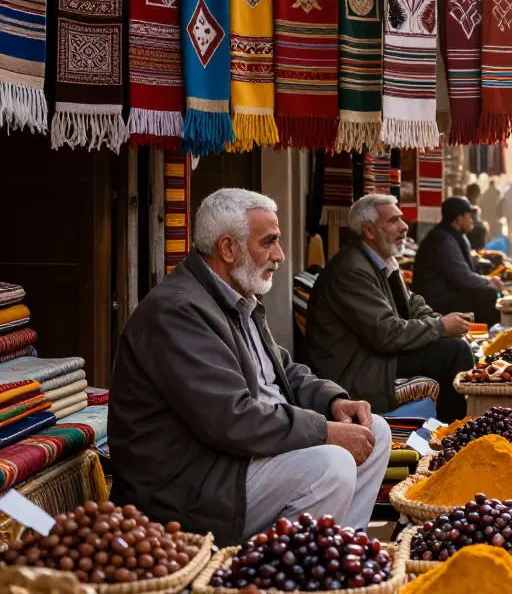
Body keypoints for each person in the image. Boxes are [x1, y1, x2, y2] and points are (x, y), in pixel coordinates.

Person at [109, 188, 391, 545]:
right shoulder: (178, 311)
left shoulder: (235, 296)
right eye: (269, 242)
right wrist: (323, 431)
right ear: (228, 249)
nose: (280, 255)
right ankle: (282, 571)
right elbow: (231, 417)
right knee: (330, 467)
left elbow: (279, 371)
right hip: (189, 488)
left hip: (235, 459)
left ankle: (338, 555)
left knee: (374, 431)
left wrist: (332, 401)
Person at [307, 194, 475, 422]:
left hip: (375, 357)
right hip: (357, 370)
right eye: (393, 221)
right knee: (454, 352)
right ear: (369, 231)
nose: (404, 227)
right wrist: (440, 326)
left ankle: (452, 427)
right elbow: (387, 334)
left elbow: (413, 304)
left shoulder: (380, 260)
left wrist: (441, 322)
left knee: (455, 345)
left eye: (401, 219)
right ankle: (451, 433)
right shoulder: (352, 270)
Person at [412, 197, 504, 326]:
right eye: (469, 216)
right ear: (459, 219)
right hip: (437, 301)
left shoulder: (452, 236)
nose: (472, 219)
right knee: (488, 293)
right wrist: (489, 282)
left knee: (488, 290)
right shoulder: (443, 240)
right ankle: (485, 338)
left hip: (449, 293)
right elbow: (464, 278)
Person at [464, 183, 489, 251]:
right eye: (477, 195)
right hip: (472, 246)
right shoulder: (467, 208)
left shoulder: (475, 209)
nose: (478, 198)